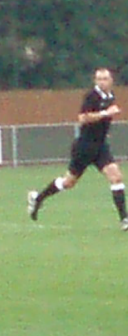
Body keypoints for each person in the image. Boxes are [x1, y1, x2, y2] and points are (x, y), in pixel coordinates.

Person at [28, 67, 128, 230]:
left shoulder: (110, 96)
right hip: (84, 146)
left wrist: (105, 128)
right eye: (99, 79)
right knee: (68, 182)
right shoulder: (91, 96)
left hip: (100, 146)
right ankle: (38, 198)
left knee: (116, 177)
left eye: (105, 78)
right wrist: (105, 113)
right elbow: (83, 118)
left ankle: (124, 219)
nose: (102, 82)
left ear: (111, 81)